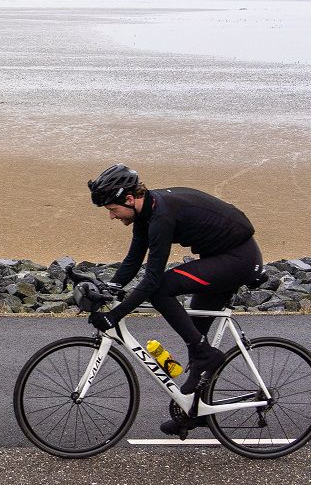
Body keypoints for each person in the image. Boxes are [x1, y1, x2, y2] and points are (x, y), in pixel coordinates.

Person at [85, 164, 265, 435]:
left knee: (162, 289)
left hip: (238, 260)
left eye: (112, 209)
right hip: (220, 257)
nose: (111, 216)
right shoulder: (146, 214)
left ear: (129, 199)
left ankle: (205, 356)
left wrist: (116, 314)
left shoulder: (161, 216)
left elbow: (153, 280)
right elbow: (133, 261)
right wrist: (106, 287)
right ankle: (195, 411)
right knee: (197, 335)